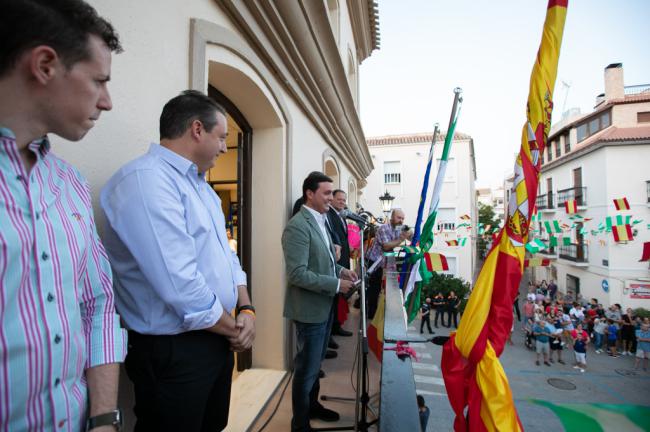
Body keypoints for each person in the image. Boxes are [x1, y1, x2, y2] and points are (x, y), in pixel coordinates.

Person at [0, 1, 127, 430]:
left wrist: (105, 419)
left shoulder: (69, 184)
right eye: (99, 81)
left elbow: (98, 305)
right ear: (45, 65)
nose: (107, 102)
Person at [101, 91, 254, 431]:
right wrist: (236, 330)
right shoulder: (146, 181)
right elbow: (181, 286)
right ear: (197, 129)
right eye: (222, 136)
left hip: (215, 338)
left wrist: (247, 309)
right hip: (175, 351)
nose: (226, 147)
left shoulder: (202, 189)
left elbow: (228, 258)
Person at [282, 171, 358, 432]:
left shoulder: (321, 220)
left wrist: (340, 271)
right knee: (305, 372)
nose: (331, 198)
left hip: (324, 307)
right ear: (310, 194)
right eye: (326, 193)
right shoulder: (297, 226)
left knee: (315, 367)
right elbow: (297, 274)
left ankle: (312, 407)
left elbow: (324, 260)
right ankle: (299, 425)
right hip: (309, 311)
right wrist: (337, 284)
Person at [365, 208, 413, 318]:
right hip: (373, 262)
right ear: (392, 218)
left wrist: (410, 233)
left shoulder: (401, 226)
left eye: (402, 218)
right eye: (398, 218)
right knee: (374, 289)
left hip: (383, 262)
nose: (401, 220)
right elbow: (386, 246)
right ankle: (371, 316)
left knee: (379, 289)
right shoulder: (383, 228)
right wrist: (401, 239)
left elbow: (412, 236)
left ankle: (376, 313)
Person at [327, 189, 354, 338]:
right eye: (339, 199)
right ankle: (330, 331)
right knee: (333, 298)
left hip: (342, 262)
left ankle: (336, 327)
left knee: (339, 298)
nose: (342, 202)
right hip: (335, 262)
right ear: (332, 199)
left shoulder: (342, 215)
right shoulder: (329, 214)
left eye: (344, 200)